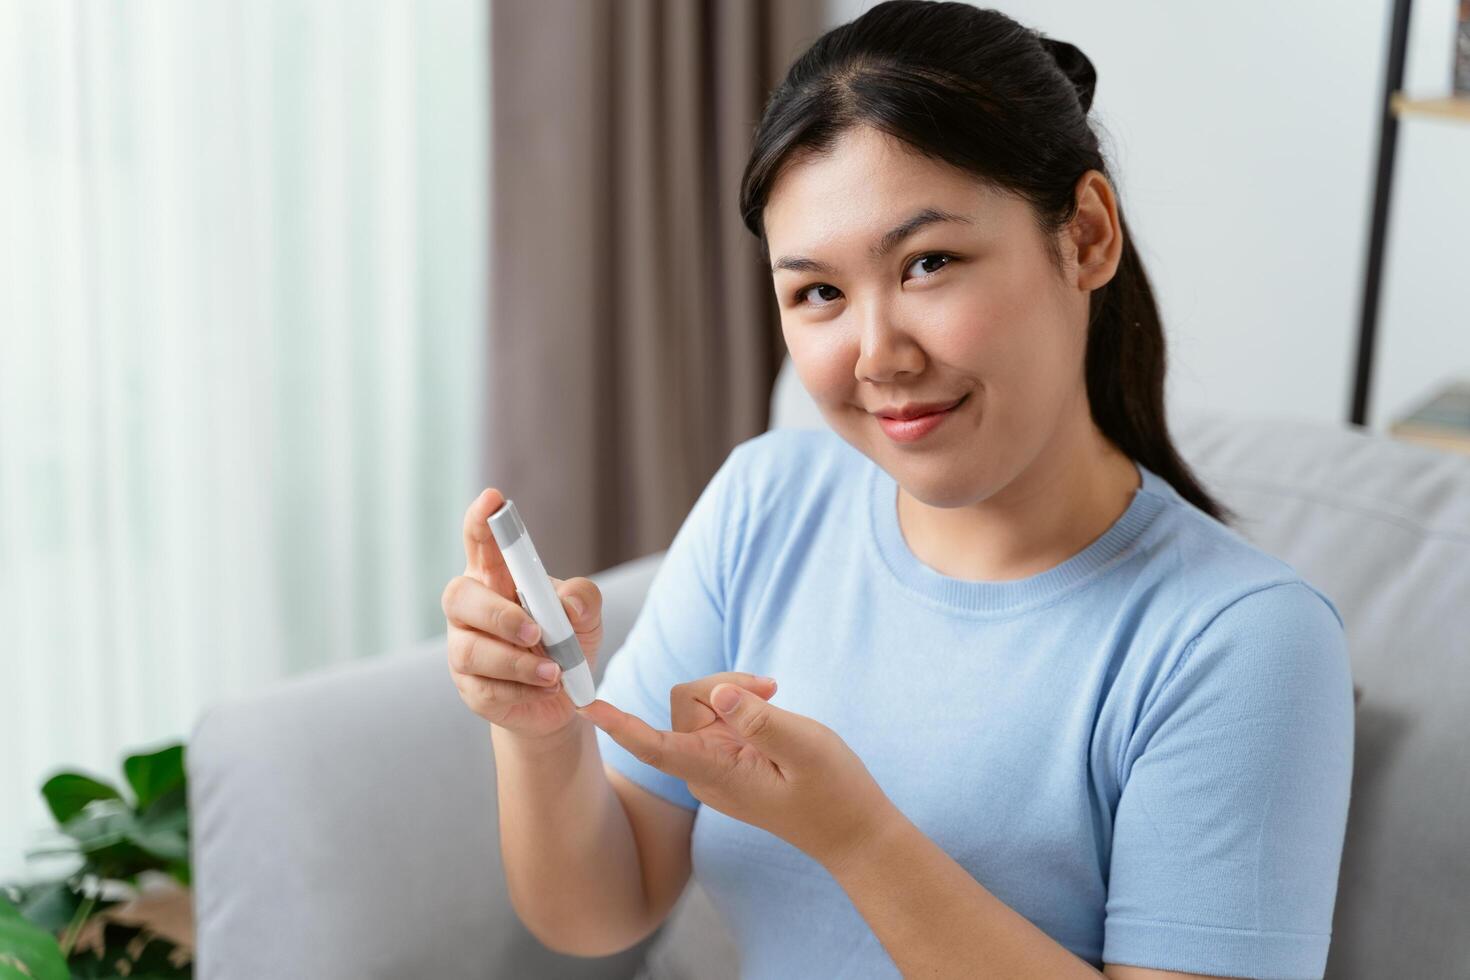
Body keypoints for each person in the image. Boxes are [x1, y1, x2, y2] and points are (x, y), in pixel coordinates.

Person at [441, 2, 1355, 977]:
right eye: (819, 292)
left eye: (929, 262)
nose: (878, 353)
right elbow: (597, 909)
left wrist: (860, 838)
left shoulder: (1239, 637)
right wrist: (538, 734)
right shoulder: (768, 501)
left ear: (1086, 235)